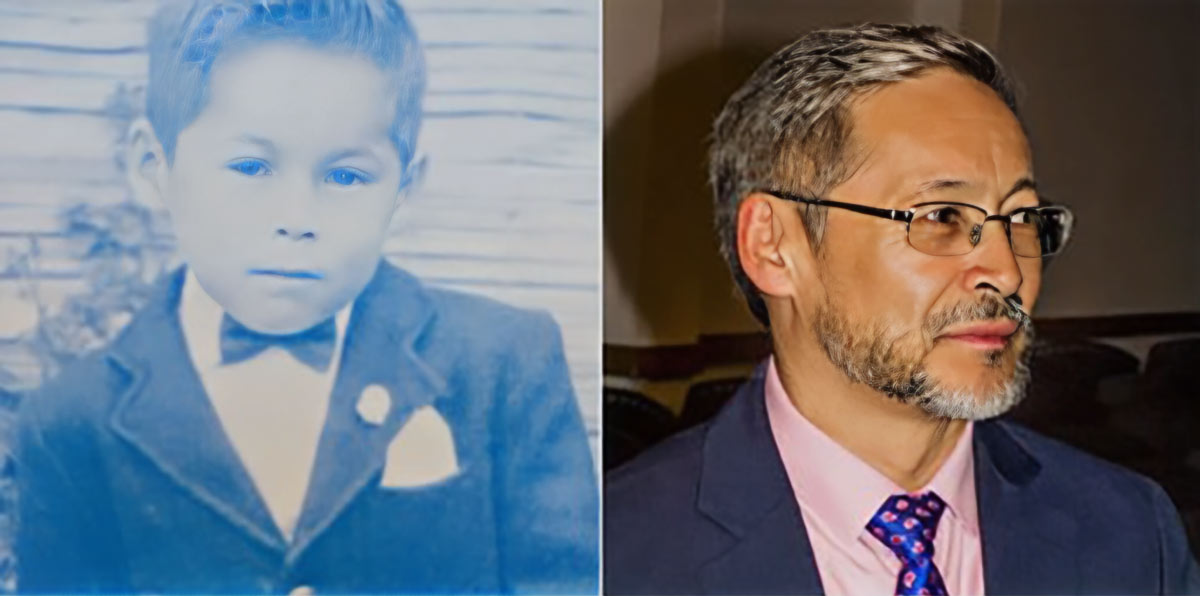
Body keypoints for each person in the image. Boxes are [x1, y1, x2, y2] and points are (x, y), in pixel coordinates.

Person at [15, 1, 597, 593]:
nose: (296, 218)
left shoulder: (504, 364)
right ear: (153, 167)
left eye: (346, 176)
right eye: (250, 166)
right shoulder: (68, 421)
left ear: (404, 189)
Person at [605, 23, 1200, 595]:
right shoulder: (612, 556)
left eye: (1021, 218)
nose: (1008, 271)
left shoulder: (1129, 533)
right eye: (942, 217)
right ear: (775, 246)